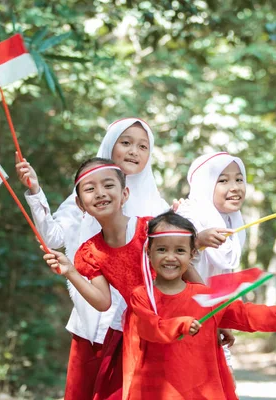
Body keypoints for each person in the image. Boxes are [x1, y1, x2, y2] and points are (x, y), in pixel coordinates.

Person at [16, 118, 169, 400]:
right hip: (90, 324)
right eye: (126, 143)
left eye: (142, 146)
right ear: (110, 145)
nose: (134, 151)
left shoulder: (159, 210)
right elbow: (52, 237)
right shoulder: (87, 194)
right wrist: (35, 192)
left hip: (139, 333)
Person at [42, 158, 203, 400]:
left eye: (108, 185)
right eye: (89, 189)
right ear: (80, 203)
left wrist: (213, 317)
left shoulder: (151, 230)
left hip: (176, 327)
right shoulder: (90, 251)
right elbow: (103, 302)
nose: (100, 193)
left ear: (125, 193)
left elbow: (188, 272)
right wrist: (70, 272)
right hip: (132, 336)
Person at [128, 211, 276, 400]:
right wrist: (182, 325)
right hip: (159, 390)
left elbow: (242, 314)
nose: (170, 257)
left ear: (192, 253)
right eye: (162, 250)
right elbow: (150, 328)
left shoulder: (204, 296)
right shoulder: (142, 296)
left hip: (202, 389)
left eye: (179, 250)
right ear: (148, 252)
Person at [177, 151, 248, 371]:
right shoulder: (187, 216)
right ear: (204, 185)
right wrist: (196, 241)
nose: (235, 187)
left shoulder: (234, 223)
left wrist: (221, 319)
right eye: (223, 180)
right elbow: (171, 262)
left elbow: (223, 278)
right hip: (183, 320)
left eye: (239, 179)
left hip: (210, 318)